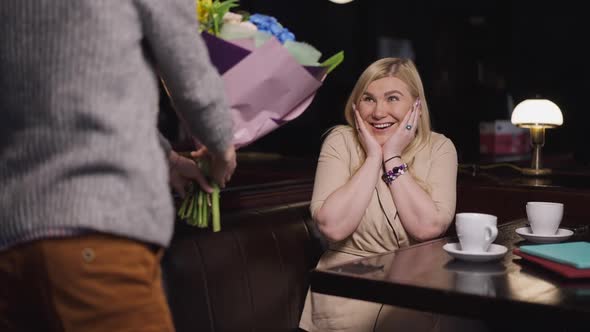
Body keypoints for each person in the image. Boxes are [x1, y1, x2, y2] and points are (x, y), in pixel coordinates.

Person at [0, 1, 235, 331]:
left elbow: (66, 88)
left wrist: (165, 157)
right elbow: (187, 65)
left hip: (12, 245)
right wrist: (222, 142)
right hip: (96, 239)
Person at [299, 58, 483, 331]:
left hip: (415, 292)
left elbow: (428, 227)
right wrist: (374, 157)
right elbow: (332, 226)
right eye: (369, 99)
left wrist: (393, 157)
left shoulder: (439, 147)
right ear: (356, 105)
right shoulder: (341, 140)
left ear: (416, 107)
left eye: (392, 98)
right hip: (345, 289)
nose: (378, 111)